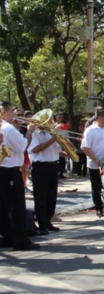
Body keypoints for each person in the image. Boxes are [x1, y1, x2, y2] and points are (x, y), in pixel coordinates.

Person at [0, 102, 40, 251]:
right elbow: (23, 147)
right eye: (11, 111)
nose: (14, 115)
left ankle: (9, 236)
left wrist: (17, 129)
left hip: (4, 170)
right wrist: (29, 132)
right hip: (9, 170)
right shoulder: (8, 128)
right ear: (4, 112)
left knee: (5, 207)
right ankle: (21, 240)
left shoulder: (6, 128)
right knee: (16, 207)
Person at [28, 120, 62, 235]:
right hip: (40, 167)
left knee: (51, 196)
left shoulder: (49, 133)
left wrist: (66, 152)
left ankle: (48, 221)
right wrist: (53, 139)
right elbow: (35, 149)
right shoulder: (34, 133)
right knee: (41, 196)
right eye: (46, 121)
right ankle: (42, 224)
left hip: (53, 166)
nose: (49, 124)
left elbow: (54, 149)